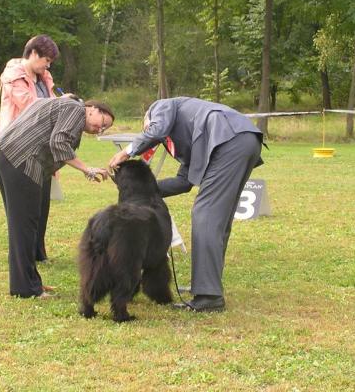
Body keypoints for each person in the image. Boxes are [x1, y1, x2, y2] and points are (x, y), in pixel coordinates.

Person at [108, 97, 264, 312]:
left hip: (229, 139)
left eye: (146, 126)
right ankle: (208, 286)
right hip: (241, 141)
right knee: (218, 219)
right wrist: (138, 189)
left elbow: (156, 131)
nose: (149, 129)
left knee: (206, 214)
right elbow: (184, 182)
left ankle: (208, 296)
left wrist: (126, 152)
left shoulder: (161, 107)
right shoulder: (182, 138)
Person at [0, 95, 114, 298]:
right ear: (92, 108)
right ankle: (26, 289)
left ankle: (28, 282)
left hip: (3, 152)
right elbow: (58, 142)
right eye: (102, 123)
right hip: (21, 159)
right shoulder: (76, 109)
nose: (100, 129)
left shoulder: (64, 105)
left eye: (104, 129)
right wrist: (87, 169)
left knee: (22, 224)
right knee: (25, 225)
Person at [0, 35, 59, 262]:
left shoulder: (44, 77)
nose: (47, 65)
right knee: (23, 208)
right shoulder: (13, 76)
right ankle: (23, 256)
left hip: (41, 149)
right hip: (15, 148)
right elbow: (30, 106)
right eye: (46, 60)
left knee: (42, 203)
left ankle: (37, 252)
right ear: (33, 53)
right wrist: (59, 105)